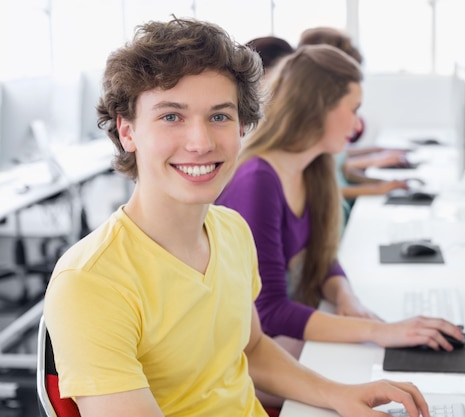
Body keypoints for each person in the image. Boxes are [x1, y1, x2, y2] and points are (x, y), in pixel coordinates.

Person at [43, 17, 433, 417]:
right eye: (171, 116)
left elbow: (253, 350)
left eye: (219, 116)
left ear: (242, 126)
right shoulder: (91, 282)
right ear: (127, 131)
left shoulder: (230, 231)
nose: (201, 142)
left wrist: (340, 394)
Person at [215, 45, 464, 356]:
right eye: (354, 109)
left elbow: (321, 256)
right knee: (373, 361)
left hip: (278, 342)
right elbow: (269, 312)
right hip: (244, 359)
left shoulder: (312, 169)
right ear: (317, 108)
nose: (358, 126)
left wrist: (347, 297)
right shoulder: (257, 180)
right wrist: (380, 331)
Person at [297, 27, 417, 222]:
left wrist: (381, 176)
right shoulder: (302, 125)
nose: (356, 126)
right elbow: (321, 184)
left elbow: (339, 165)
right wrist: (376, 175)